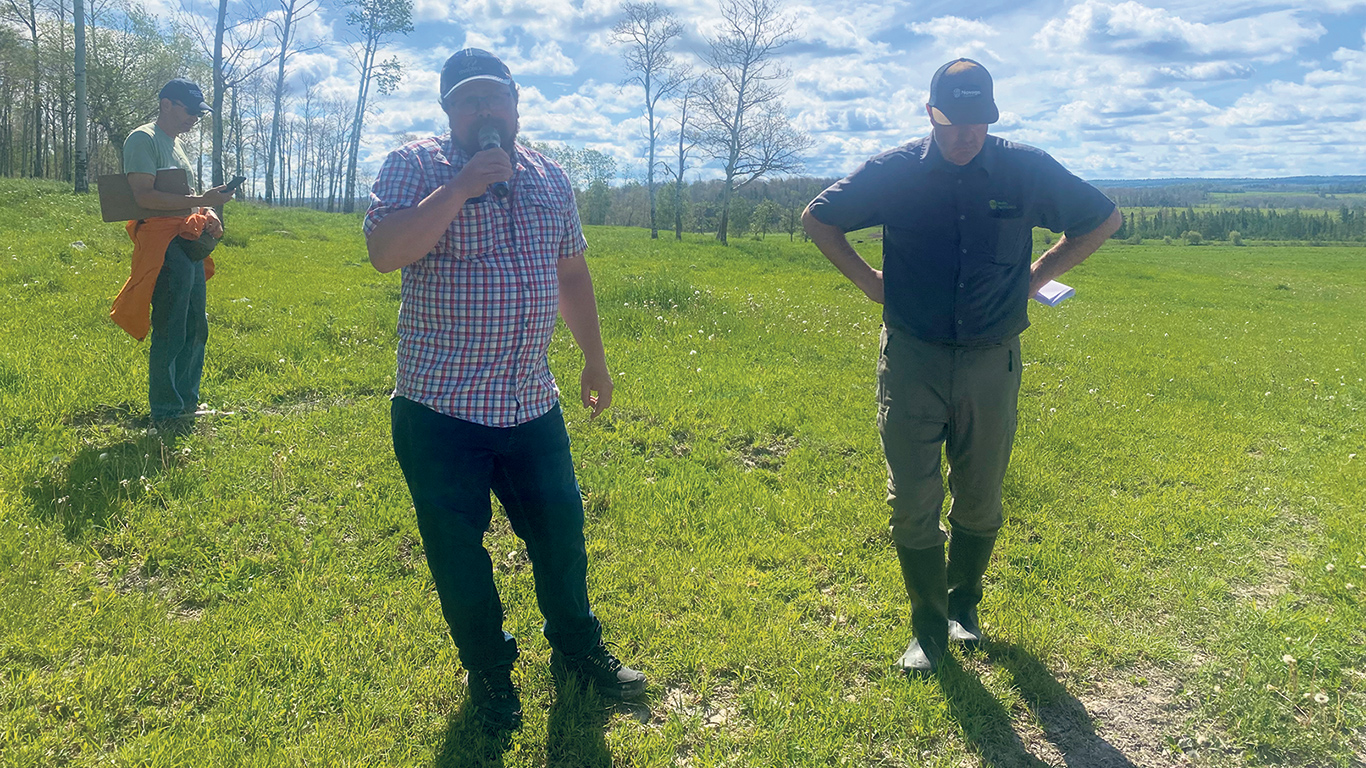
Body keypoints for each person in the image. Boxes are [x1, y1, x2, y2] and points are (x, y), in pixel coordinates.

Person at [802, 58, 1122, 675]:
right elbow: (819, 218)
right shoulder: (894, 172)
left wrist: (1037, 276)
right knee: (912, 500)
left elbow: (1101, 218)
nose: (965, 136)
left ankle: (963, 609)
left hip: (990, 362)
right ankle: (928, 631)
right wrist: (871, 283)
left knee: (979, 499)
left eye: (977, 121)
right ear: (930, 114)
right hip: (913, 358)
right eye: (952, 122)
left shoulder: (1023, 168)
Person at [363, 48, 647, 730]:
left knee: (561, 535)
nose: (485, 111)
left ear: (517, 104)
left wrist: (595, 362)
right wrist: (460, 187)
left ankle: (578, 650)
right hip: (440, 409)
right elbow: (386, 251)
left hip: (530, 401)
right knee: (459, 553)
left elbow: (571, 274)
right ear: (447, 111)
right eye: (469, 101)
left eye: (497, 98)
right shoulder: (415, 165)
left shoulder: (550, 175)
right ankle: (490, 674)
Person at [110, 78, 233, 430]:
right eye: (189, 110)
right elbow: (144, 196)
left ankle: (186, 402)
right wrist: (201, 201)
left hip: (185, 240)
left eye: (198, 112)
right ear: (167, 104)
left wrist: (206, 214)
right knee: (171, 326)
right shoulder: (143, 139)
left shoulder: (176, 146)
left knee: (197, 324)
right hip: (162, 244)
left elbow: (185, 196)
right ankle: (166, 410)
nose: (194, 117)